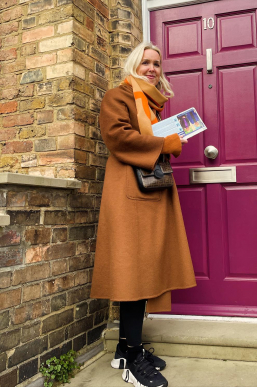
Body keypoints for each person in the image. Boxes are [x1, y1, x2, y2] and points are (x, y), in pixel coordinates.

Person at [90, 42, 197, 387]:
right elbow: (118, 137)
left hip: (149, 196)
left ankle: (125, 348)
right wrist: (165, 144)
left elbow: (144, 139)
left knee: (144, 270)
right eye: (146, 62)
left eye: (156, 64)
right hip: (129, 197)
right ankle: (133, 360)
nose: (152, 68)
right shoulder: (118, 96)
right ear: (133, 65)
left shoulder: (151, 105)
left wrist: (168, 139)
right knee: (133, 273)